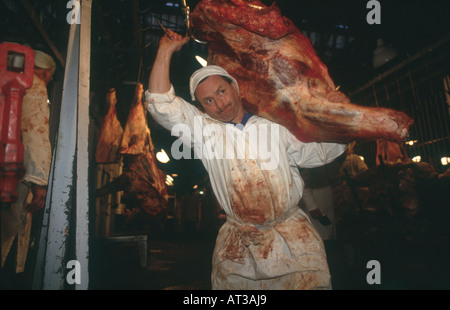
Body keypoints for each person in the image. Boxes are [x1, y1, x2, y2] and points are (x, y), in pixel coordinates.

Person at [145, 29, 347, 290]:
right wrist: (166, 49)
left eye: (221, 91)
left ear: (234, 87)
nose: (219, 104)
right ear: (202, 108)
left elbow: (321, 152)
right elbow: (161, 103)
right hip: (240, 245)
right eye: (208, 101)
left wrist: (338, 115)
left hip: (293, 239)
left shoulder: (275, 125)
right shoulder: (203, 131)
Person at [1, 50, 54, 277]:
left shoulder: (5, 77)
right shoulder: (36, 84)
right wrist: (39, 180)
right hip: (12, 173)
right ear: (47, 71)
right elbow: (35, 132)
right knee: (9, 231)